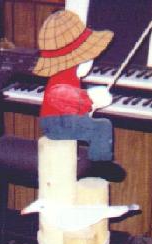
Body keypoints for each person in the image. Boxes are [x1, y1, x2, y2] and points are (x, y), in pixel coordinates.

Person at [33, 9, 115, 163]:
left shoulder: (66, 73)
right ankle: (101, 164)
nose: (91, 61)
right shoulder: (62, 78)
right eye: (88, 57)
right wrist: (90, 98)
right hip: (58, 124)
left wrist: (88, 103)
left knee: (96, 125)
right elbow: (60, 95)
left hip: (62, 120)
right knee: (103, 127)